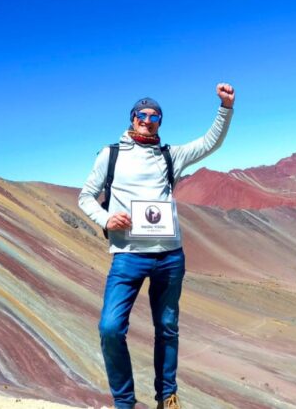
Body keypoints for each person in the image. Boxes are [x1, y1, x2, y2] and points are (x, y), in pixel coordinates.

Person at [78, 84, 235, 409]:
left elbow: (210, 143)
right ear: (132, 118)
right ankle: (125, 402)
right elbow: (85, 197)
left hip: (169, 257)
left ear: (160, 122)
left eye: (155, 116)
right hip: (128, 258)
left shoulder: (169, 156)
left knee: (167, 327)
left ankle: (168, 396)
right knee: (109, 328)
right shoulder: (112, 155)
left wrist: (225, 108)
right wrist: (106, 219)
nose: (148, 120)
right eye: (142, 115)